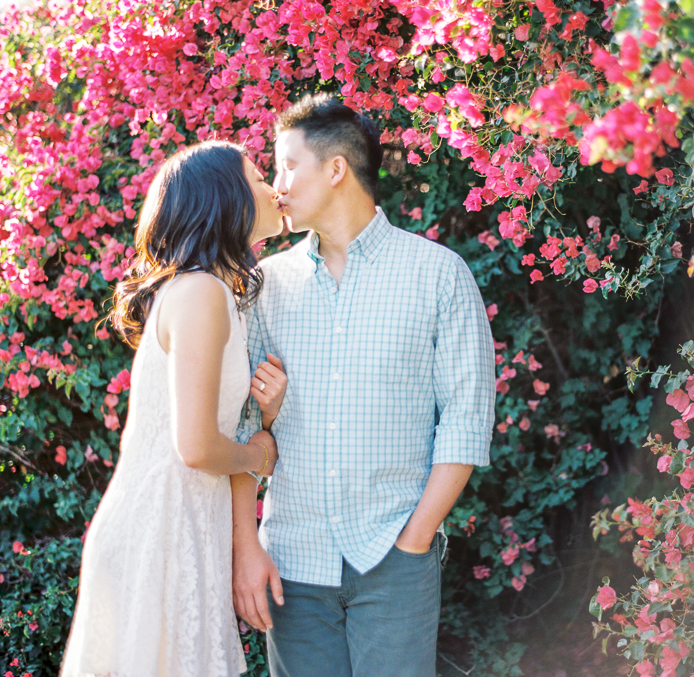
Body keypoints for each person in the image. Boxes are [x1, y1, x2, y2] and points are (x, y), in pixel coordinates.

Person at [230, 93, 496, 677]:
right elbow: (242, 431)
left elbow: (466, 421)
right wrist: (247, 549)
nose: (277, 186)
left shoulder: (438, 275)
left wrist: (415, 540)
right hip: (291, 565)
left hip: (395, 559)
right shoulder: (263, 286)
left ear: (335, 169)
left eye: (287, 166)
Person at [61, 141, 287, 677]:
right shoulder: (201, 292)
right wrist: (258, 452)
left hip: (185, 523)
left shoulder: (213, 291)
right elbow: (196, 447)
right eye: (259, 178)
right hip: (159, 529)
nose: (274, 188)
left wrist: (266, 420)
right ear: (226, 198)